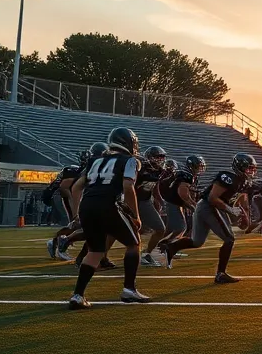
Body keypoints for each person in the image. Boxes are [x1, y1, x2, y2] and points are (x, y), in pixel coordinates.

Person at [65, 127, 150, 309]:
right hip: (109, 204)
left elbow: (76, 187)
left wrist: (77, 213)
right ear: (128, 142)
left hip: (88, 205)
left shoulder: (94, 160)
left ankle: (78, 295)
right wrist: (135, 215)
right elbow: (128, 187)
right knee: (133, 244)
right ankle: (129, 289)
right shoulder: (130, 161)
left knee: (95, 251)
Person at [160, 153, 256, 283]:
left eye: (252, 169)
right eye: (249, 168)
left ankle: (171, 247)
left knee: (197, 241)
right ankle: (221, 274)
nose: (251, 171)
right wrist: (231, 210)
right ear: (240, 167)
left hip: (208, 207)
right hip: (209, 207)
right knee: (229, 239)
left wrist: (243, 215)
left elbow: (241, 200)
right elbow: (212, 198)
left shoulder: (243, 182)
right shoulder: (228, 177)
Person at [150, 155, 203, 263]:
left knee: (170, 228)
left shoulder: (189, 175)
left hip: (174, 201)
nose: (200, 168)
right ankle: (163, 245)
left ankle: (163, 247)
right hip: (172, 201)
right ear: (192, 166)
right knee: (180, 227)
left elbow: (187, 193)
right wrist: (194, 205)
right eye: (198, 166)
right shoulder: (187, 175)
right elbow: (183, 194)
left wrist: (191, 204)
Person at [133, 146, 169, 267]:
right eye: (157, 157)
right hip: (132, 201)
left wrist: (160, 201)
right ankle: (102, 257)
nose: (160, 160)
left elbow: (155, 188)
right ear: (149, 157)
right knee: (118, 231)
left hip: (145, 202)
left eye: (162, 157)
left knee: (160, 229)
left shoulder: (159, 171)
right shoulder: (140, 168)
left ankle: (146, 254)